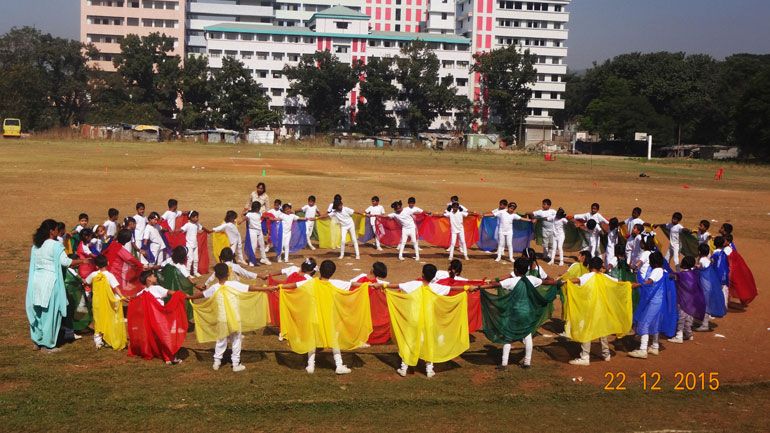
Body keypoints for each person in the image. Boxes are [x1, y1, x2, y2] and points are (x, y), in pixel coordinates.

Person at [267, 260, 371, 374]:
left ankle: (310, 366)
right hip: (329, 318)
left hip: (313, 317)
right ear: (332, 272)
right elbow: (353, 284)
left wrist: (279, 287)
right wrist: (369, 285)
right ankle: (339, 365)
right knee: (334, 341)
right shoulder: (335, 283)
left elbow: (294, 285)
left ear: (320, 270)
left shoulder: (311, 282)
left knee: (312, 340)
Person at [379, 264, 468, 378]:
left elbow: (397, 285)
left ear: (422, 274)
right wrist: (466, 288)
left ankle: (404, 368)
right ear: (433, 276)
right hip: (429, 321)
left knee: (409, 342)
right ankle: (429, 370)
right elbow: (452, 288)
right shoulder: (436, 287)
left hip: (414, 320)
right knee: (428, 343)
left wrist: (383, 285)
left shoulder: (414, 284)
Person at [190, 263, 275, 372]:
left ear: (215, 275)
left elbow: (202, 294)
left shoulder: (215, 288)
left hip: (222, 319)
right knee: (236, 340)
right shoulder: (234, 284)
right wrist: (267, 288)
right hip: (235, 318)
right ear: (228, 273)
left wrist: (189, 297)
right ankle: (235, 363)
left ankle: (216, 362)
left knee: (220, 340)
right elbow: (251, 288)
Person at [565, 257, 640, 366]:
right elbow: (621, 283)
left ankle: (585, 357)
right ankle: (606, 354)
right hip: (603, 310)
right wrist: (634, 284)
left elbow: (576, 280)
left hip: (589, 309)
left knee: (586, 331)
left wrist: (563, 281)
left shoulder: (587, 276)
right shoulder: (605, 277)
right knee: (603, 332)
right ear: (600, 267)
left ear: (589, 266)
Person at [26, 219, 87, 352]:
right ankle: (48, 344)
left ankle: (37, 340)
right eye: (56, 229)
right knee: (50, 313)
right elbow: (66, 262)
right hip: (50, 282)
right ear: (52, 231)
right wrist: (82, 261)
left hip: (37, 281)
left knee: (38, 311)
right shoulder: (56, 245)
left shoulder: (36, 246)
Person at [628, 252, 677, 359]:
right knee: (655, 323)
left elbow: (650, 282)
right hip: (660, 302)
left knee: (644, 322)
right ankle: (655, 346)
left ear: (654, 262)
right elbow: (669, 276)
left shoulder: (656, 271)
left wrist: (637, 285)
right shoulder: (663, 271)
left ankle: (643, 349)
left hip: (653, 302)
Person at [85, 254, 127, 350]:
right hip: (107, 302)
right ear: (108, 263)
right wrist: (122, 296)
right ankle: (108, 338)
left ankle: (98, 341)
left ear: (96, 266)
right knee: (108, 318)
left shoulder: (93, 275)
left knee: (98, 319)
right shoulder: (110, 275)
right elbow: (115, 287)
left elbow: (86, 282)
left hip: (96, 302)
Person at [668, 256, 704, 344]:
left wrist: (670, 275)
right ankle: (688, 334)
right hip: (693, 300)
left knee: (682, 318)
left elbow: (676, 278)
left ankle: (679, 336)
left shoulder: (682, 275)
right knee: (689, 318)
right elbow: (696, 268)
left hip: (684, 300)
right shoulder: (694, 272)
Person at [179, 211, 212, 277]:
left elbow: (202, 227)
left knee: (196, 259)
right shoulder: (187, 225)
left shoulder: (196, 224)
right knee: (190, 259)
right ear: (192, 218)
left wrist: (207, 230)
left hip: (195, 244)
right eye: (196, 217)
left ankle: (195, 272)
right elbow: (181, 229)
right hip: (189, 245)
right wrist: (175, 232)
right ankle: (188, 273)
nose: (198, 219)